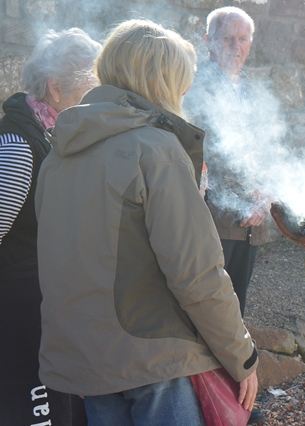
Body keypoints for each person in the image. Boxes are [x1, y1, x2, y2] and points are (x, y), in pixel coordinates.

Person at [35, 19, 258, 425]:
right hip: (157, 363)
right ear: (162, 81)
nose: (186, 91)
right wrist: (242, 357)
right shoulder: (155, 150)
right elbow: (197, 275)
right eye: (181, 80)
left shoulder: (58, 155)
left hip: (89, 363)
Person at [0, 28, 101, 425]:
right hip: (19, 315)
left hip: (48, 311)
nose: (95, 102)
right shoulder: (18, 146)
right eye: (89, 90)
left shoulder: (54, 137)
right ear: (56, 89)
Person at [187, 6, 272, 318]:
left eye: (243, 39)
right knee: (209, 315)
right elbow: (196, 159)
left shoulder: (254, 92)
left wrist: (266, 196)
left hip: (252, 224)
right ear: (208, 40)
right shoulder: (192, 89)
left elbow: (267, 153)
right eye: (228, 39)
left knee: (236, 313)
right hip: (212, 225)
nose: (236, 47)